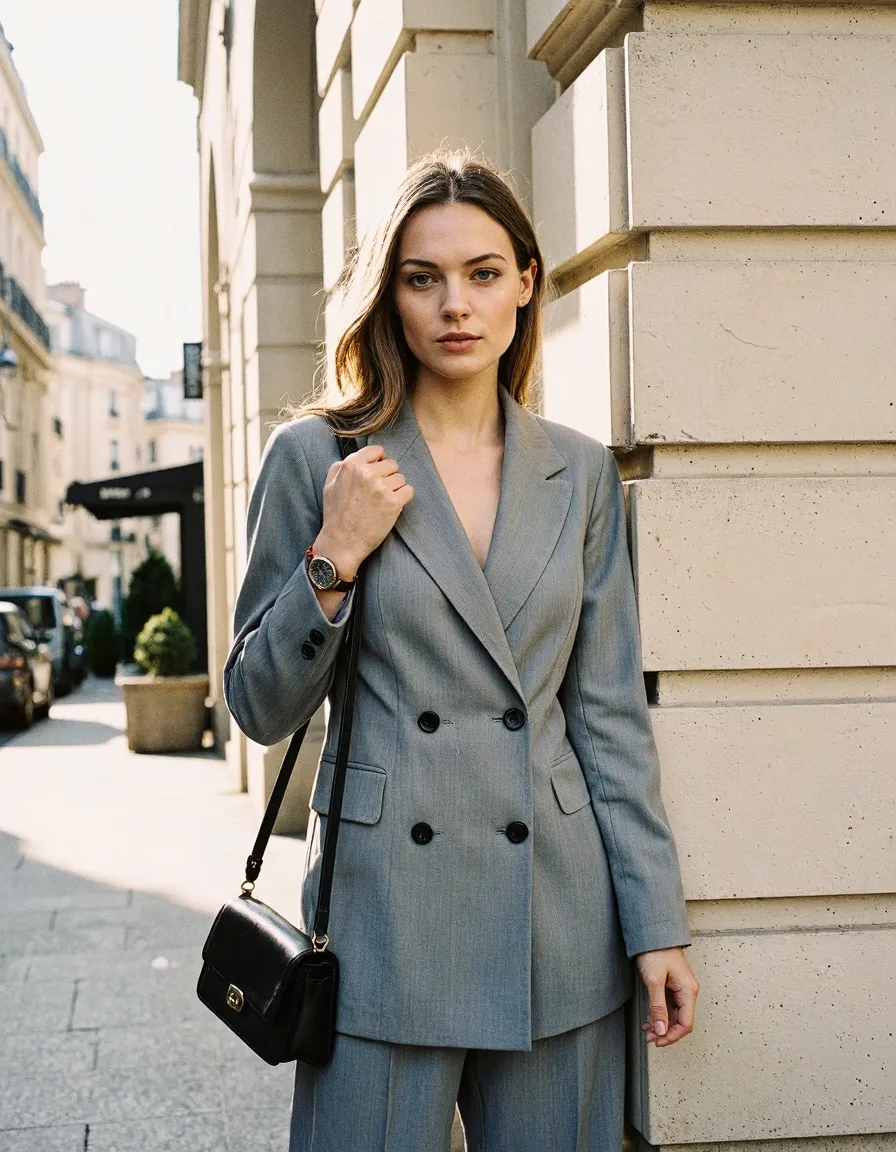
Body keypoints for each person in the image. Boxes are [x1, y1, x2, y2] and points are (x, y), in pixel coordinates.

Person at [223, 150, 700, 1151]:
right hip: (383, 923)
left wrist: (653, 919)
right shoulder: (319, 458)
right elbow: (257, 705)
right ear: (389, 294)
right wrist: (333, 557)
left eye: (483, 273)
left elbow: (606, 716)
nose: (456, 305)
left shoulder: (576, 472)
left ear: (526, 281)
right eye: (422, 276)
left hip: (556, 918)